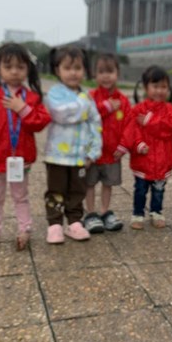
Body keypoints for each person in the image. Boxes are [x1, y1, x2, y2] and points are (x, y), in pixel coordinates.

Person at [0, 43, 51, 252]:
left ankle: (25, 229)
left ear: (28, 69)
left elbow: (41, 122)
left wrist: (23, 109)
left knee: (20, 196)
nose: (14, 71)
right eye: (8, 66)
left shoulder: (32, 98)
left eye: (20, 67)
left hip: (20, 159)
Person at [43, 46, 102, 244]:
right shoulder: (54, 94)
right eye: (67, 68)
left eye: (77, 68)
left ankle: (75, 222)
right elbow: (61, 114)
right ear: (57, 70)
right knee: (56, 189)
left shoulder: (87, 95)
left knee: (78, 190)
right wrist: (83, 106)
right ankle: (54, 224)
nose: (73, 73)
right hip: (57, 155)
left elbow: (95, 123)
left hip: (80, 156)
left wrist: (93, 152)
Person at [117, 66, 172, 230]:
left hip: (162, 159)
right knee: (140, 189)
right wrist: (138, 144)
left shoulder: (170, 110)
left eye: (163, 87)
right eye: (155, 86)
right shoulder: (138, 110)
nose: (160, 91)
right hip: (143, 159)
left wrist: (149, 121)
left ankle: (156, 212)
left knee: (159, 190)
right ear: (146, 87)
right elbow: (132, 130)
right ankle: (137, 213)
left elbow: (170, 129)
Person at [83, 53, 131, 233]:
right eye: (101, 72)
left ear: (117, 73)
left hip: (112, 153)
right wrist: (107, 107)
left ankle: (104, 212)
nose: (106, 76)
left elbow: (129, 125)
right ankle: (90, 213)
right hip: (92, 154)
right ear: (94, 74)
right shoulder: (90, 97)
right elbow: (86, 117)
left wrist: (123, 145)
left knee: (108, 184)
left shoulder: (123, 100)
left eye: (110, 71)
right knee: (89, 184)